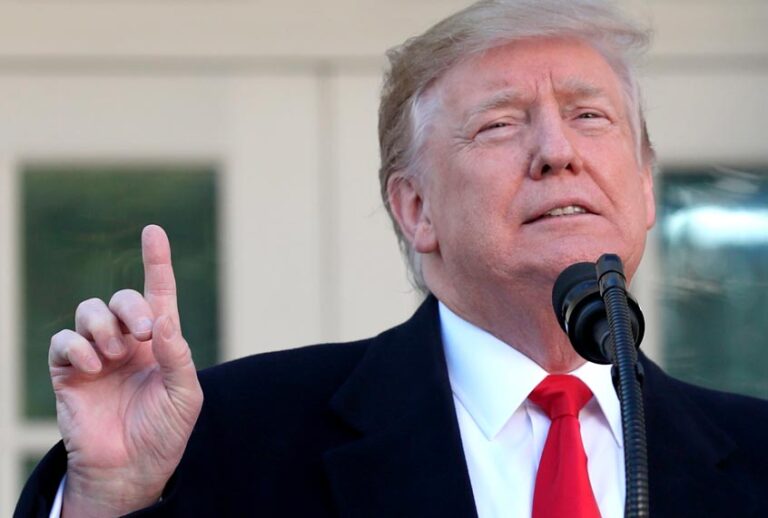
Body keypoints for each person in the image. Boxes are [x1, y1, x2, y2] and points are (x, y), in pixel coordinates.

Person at [16, 0, 768, 516]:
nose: (556, 152)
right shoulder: (227, 438)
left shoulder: (756, 455)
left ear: (643, 184)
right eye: (501, 124)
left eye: (589, 116)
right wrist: (106, 499)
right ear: (415, 209)